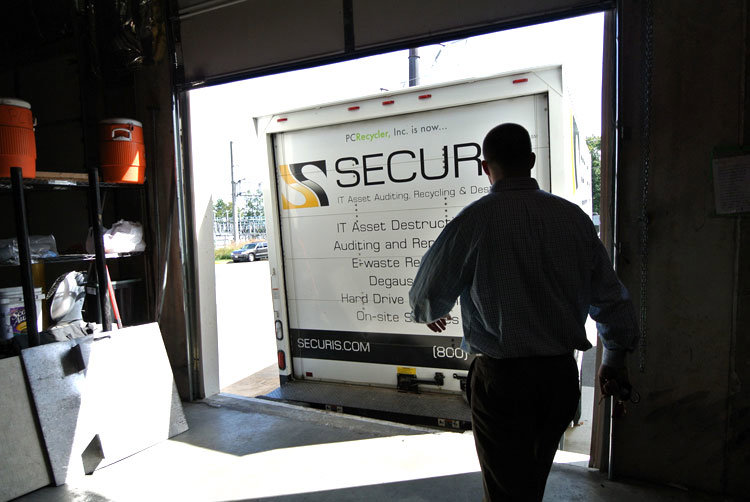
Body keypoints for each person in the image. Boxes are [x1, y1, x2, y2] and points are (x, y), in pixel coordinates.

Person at [408, 123, 639, 501]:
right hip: (558, 378)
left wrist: (433, 309)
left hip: (503, 382)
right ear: (530, 161)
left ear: (485, 166)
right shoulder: (573, 218)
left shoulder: (473, 221)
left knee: (505, 490)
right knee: (532, 480)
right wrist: (614, 357)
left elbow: (425, 299)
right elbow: (611, 298)